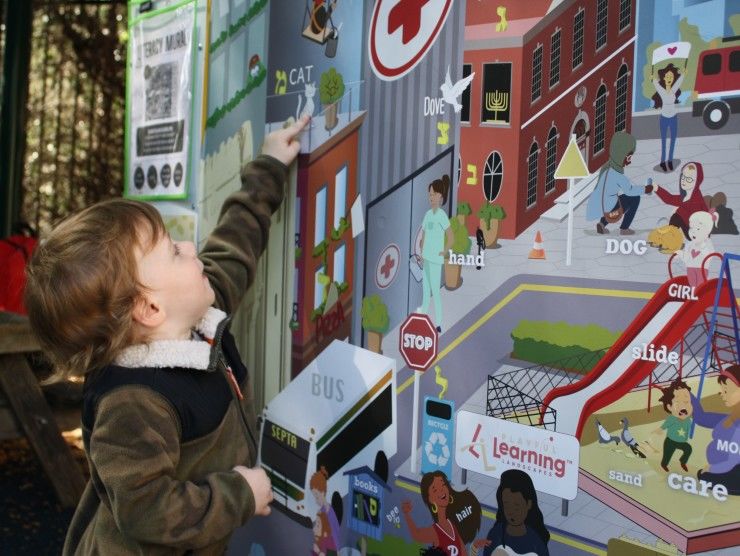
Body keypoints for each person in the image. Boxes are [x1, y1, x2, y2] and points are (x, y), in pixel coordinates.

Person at [24, 116, 310, 554]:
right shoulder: (133, 402)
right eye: (175, 252)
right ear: (150, 308)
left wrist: (269, 166)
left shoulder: (193, 315)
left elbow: (231, 249)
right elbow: (146, 510)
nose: (193, 249)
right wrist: (239, 495)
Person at [402, 471, 489, 556]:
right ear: (430, 499)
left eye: (443, 485)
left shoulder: (451, 525)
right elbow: (416, 534)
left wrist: (474, 547)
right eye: (435, 490)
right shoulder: (436, 531)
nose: (441, 491)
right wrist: (407, 514)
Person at [586, 131, 653, 236]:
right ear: (621, 155)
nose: (629, 162)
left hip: (603, 207)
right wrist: (646, 189)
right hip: (612, 213)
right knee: (635, 198)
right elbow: (630, 190)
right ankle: (624, 228)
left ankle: (602, 223)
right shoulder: (618, 175)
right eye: (629, 158)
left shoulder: (606, 168)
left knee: (615, 199)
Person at [690, 365, 740, 495]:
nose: (722, 395)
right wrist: (689, 395)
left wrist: (712, 468)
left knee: (704, 476)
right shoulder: (728, 418)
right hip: (723, 469)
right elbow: (701, 417)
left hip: (731, 472)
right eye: (721, 391)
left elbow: (733, 460)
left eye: (726, 391)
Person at [482, 470, 550, 556]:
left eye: (517, 506)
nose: (511, 512)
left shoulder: (536, 542)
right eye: (506, 505)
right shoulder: (496, 535)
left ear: (528, 504)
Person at [419, 175, 453, 333]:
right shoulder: (427, 215)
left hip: (435, 259)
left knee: (435, 291)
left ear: (440, 196)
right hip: (426, 258)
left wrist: (444, 251)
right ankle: (423, 320)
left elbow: (451, 237)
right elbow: (423, 237)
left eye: (433, 194)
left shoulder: (441, 216)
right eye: (429, 194)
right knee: (426, 291)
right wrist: (420, 252)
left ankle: (438, 323)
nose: (430, 197)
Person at [650, 379, 694, 472]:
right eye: (678, 403)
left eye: (687, 402)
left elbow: (687, 428)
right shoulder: (672, 418)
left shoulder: (688, 420)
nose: (684, 407)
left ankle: (683, 461)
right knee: (667, 455)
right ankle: (664, 464)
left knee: (688, 449)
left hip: (681, 441)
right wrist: (659, 429)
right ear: (669, 407)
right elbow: (665, 425)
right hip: (670, 441)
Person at [652, 63, 685, 172]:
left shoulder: (673, 89)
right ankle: (662, 162)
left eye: (671, 77)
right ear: (664, 78)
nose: (670, 78)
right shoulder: (662, 90)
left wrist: (683, 74)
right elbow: (656, 84)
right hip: (664, 118)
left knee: (673, 140)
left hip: (673, 118)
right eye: (668, 76)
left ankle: (669, 161)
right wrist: (653, 79)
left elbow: (679, 81)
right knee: (664, 141)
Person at [309, 467, 340, 556]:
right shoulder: (321, 511)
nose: (316, 500)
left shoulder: (330, 513)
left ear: (323, 492)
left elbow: (336, 535)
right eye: (314, 496)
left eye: (317, 496)